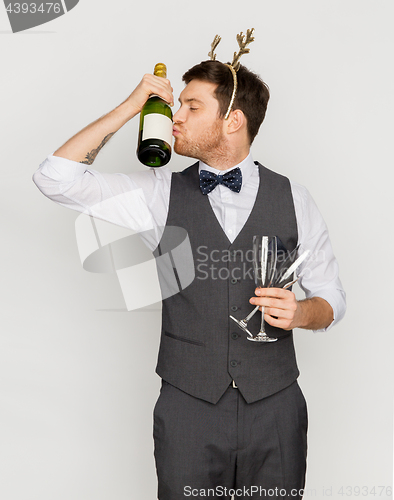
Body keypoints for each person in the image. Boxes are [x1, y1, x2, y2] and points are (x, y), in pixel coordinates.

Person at [33, 37, 346, 500]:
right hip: (188, 408)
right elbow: (53, 178)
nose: (174, 116)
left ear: (233, 120)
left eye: (191, 106)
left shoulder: (295, 199)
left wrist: (301, 313)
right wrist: (131, 105)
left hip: (276, 407)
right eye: (177, 104)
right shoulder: (157, 194)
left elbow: (332, 301)